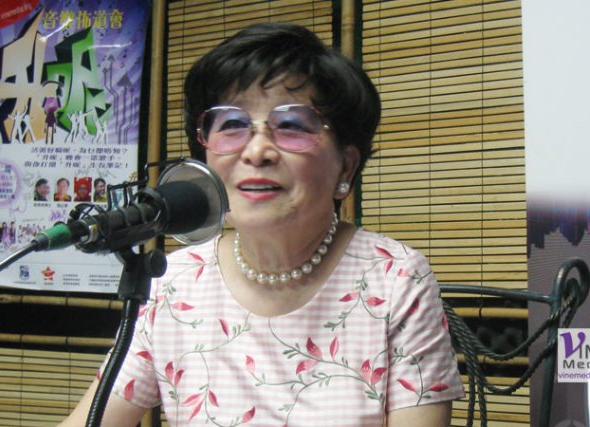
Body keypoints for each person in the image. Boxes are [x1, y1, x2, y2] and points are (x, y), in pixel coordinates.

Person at [61, 23, 463, 427]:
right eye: (231, 124)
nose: (256, 152)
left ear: (346, 166)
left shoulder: (394, 280)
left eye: (292, 125)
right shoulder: (173, 284)